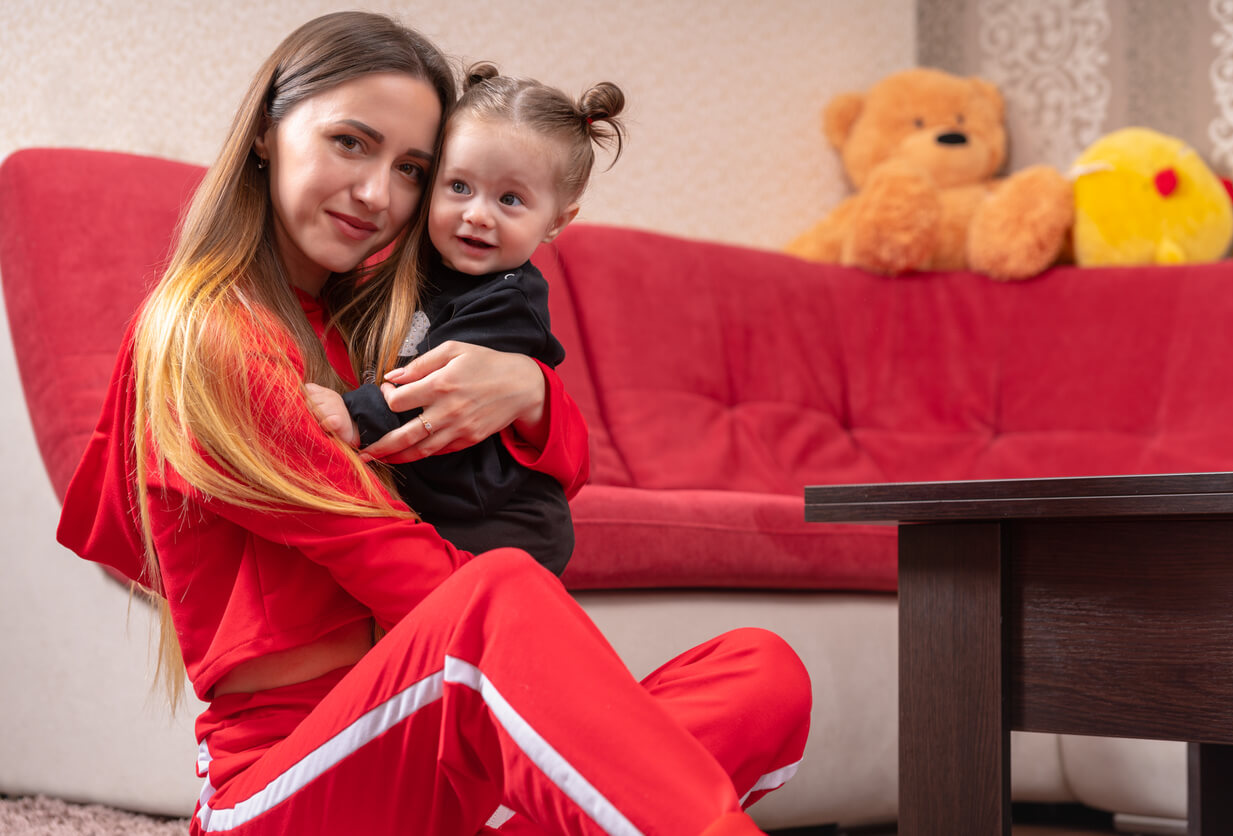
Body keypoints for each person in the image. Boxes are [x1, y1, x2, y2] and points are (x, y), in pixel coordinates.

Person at [55, 11, 810, 836]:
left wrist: (530, 392)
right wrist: (568, 694)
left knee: (759, 673)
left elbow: (564, 468)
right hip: (285, 782)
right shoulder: (211, 333)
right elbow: (390, 561)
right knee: (500, 592)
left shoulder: (385, 318)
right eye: (350, 142)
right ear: (268, 129)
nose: (377, 193)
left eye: (411, 168)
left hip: (436, 762)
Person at [306, 62, 625, 576]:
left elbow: (441, 385)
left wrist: (352, 414)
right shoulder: (410, 265)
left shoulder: (510, 300)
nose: (477, 214)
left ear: (556, 222)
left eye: (510, 199)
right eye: (459, 186)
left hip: (498, 520)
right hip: (438, 497)